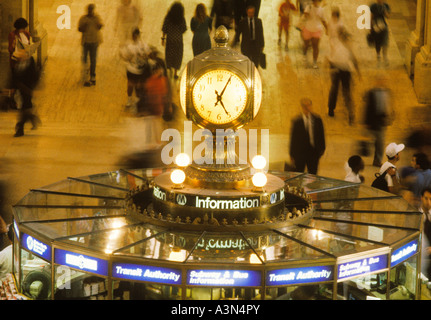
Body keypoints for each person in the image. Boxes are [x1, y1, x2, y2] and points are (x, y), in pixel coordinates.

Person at [327, 26, 360, 125]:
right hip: (343, 70)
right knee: (344, 92)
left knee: (337, 90)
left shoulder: (337, 44)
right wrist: (358, 73)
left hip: (339, 70)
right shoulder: (344, 45)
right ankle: (350, 114)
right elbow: (354, 60)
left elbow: (331, 58)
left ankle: (332, 109)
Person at [289, 98, 326, 174]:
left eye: (308, 105)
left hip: (313, 152)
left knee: (313, 173)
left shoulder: (317, 119)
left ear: (311, 106)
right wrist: (292, 154)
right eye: (305, 106)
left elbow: (321, 134)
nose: (307, 107)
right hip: (300, 153)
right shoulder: (297, 121)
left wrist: (322, 148)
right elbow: (293, 138)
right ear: (302, 107)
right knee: (299, 173)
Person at [363, 76, 394, 167]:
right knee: (371, 140)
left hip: (381, 120)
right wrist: (366, 122)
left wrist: (389, 116)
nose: (382, 82)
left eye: (384, 81)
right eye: (381, 81)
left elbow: (388, 105)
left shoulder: (387, 92)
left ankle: (377, 160)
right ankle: (368, 155)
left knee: (380, 141)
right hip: (372, 120)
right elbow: (367, 107)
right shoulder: (371, 92)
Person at [12, 50, 42, 137]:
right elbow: (14, 78)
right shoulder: (18, 65)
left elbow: (35, 77)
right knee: (26, 108)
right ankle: (33, 118)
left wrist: (33, 88)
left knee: (24, 109)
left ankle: (20, 128)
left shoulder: (30, 64)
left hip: (28, 90)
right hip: (21, 91)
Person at [119, 28, 150, 109]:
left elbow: (148, 54)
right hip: (132, 69)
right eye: (134, 35)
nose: (135, 37)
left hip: (140, 69)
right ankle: (129, 99)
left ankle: (137, 100)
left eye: (136, 35)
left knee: (138, 86)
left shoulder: (143, 45)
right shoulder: (129, 46)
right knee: (130, 84)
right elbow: (124, 56)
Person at [7, 18, 33, 110]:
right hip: (16, 63)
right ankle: (13, 102)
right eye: (22, 28)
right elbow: (10, 49)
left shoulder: (27, 34)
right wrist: (14, 45)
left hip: (25, 62)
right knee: (15, 84)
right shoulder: (12, 35)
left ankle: (25, 101)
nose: (23, 30)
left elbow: (29, 45)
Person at [78, 4, 103, 87]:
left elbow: (100, 26)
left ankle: (92, 76)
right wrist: (84, 26)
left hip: (94, 41)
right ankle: (85, 77)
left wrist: (99, 25)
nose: (90, 11)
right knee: (85, 60)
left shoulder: (97, 18)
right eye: (89, 9)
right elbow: (79, 29)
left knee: (93, 60)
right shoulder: (83, 18)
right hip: (86, 42)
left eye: (92, 9)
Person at [161, 2, 187, 80]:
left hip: (170, 39)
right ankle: (175, 73)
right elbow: (183, 29)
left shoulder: (168, 17)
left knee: (169, 55)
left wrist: (163, 38)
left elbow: (164, 28)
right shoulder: (181, 18)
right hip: (178, 40)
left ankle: (169, 71)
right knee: (177, 56)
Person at [301, 0, 327, 69]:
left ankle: (314, 62)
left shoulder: (321, 10)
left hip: (317, 30)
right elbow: (305, 15)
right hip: (308, 29)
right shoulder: (308, 7)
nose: (316, 2)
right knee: (306, 44)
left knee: (315, 46)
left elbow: (323, 20)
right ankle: (304, 55)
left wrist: (326, 28)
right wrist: (306, 14)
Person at [368, 0, 390, 66]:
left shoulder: (386, 6)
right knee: (377, 43)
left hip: (383, 27)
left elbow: (388, 16)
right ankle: (378, 56)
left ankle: (385, 57)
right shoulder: (373, 6)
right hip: (376, 27)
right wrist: (371, 27)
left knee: (385, 43)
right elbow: (371, 17)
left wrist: (384, 10)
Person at [420, 187, 431, 282]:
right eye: (426, 198)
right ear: (421, 198)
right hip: (420, 259)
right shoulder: (417, 215)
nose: (428, 202)